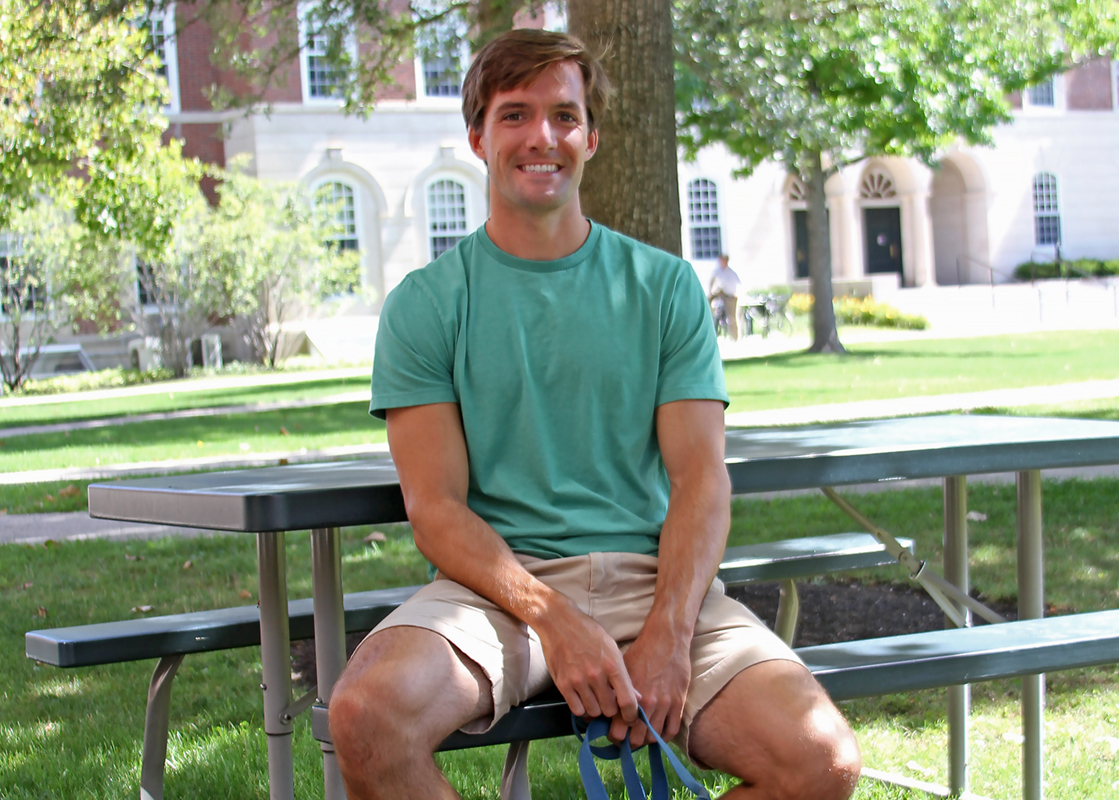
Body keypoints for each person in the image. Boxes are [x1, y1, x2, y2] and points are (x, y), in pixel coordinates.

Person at [327, 29, 860, 800]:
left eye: (564, 116)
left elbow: (701, 480)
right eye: (514, 115)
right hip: (499, 592)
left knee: (821, 761)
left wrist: (671, 634)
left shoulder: (666, 288)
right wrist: (552, 616)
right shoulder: (425, 305)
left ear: (592, 136)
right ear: (477, 137)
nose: (541, 137)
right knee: (367, 715)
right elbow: (436, 509)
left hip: (659, 584)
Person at [709, 254, 742, 340]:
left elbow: (738, 284)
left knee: (731, 317)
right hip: (719, 293)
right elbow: (712, 281)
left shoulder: (731, 273)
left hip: (729, 295)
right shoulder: (717, 271)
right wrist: (710, 292)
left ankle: (734, 336)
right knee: (708, 301)